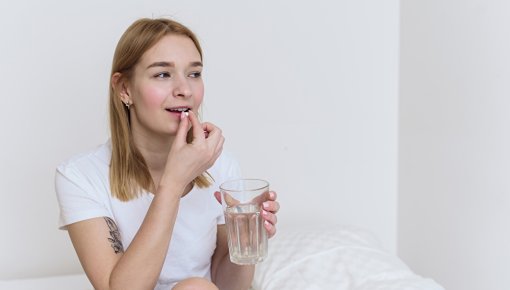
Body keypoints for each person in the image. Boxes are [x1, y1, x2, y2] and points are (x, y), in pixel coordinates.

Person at [55, 17, 280, 290]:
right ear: (125, 89)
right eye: (163, 74)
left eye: (194, 74)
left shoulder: (221, 166)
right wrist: (173, 183)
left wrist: (244, 239)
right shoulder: (80, 176)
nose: (185, 90)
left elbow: (228, 287)